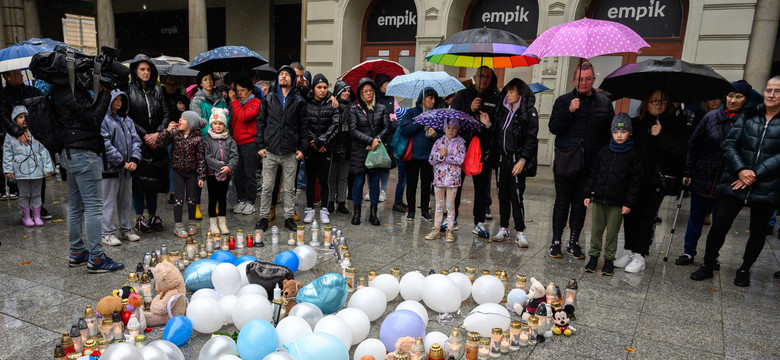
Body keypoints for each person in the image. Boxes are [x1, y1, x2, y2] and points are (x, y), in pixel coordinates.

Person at [690, 76, 780, 287]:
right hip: (736, 181)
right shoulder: (749, 114)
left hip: (765, 185)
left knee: (758, 230)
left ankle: (744, 269)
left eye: (777, 91)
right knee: (719, 225)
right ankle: (707, 264)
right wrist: (741, 170)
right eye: (768, 90)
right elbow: (730, 144)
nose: (771, 95)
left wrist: (755, 174)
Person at [50, 73, 123, 272]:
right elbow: (94, 118)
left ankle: (77, 252)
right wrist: (105, 94)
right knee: (93, 207)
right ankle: (97, 259)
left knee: (75, 206)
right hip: (83, 153)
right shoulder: (72, 91)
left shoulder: (57, 88)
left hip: (69, 152)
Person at [677, 81, 752, 266]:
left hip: (729, 180)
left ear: (745, 100)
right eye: (730, 96)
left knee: (720, 223)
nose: (733, 100)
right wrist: (688, 170)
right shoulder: (710, 117)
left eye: (738, 96)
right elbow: (694, 144)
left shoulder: (748, 121)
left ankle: (712, 256)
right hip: (703, 174)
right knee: (696, 217)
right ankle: (688, 252)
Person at [616, 90, 687, 273]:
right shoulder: (636, 123)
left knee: (647, 217)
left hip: (656, 180)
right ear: (646, 102)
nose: (658, 104)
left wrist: (661, 134)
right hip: (634, 177)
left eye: (663, 101)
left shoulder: (674, 124)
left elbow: (678, 152)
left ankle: (640, 254)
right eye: (654, 101)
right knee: (630, 215)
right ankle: (629, 249)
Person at [548, 62, 614, 259]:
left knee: (580, 204)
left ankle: (574, 242)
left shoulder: (603, 102)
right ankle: (556, 241)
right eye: (579, 79)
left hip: (590, 164)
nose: (583, 83)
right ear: (573, 79)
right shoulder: (563, 101)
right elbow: (554, 128)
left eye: (587, 79)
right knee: (562, 202)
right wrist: (569, 111)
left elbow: (608, 133)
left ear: (593, 80)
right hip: (567, 161)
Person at [582, 113, 641, 276]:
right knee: (596, 230)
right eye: (615, 132)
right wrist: (588, 193)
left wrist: (628, 202)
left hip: (617, 201)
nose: (619, 135)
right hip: (600, 198)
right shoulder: (604, 152)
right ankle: (593, 257)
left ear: (629, 133)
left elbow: (635, 181)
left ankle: (609, 259)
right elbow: (593, 174)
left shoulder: (633, 154)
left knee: (612, 232)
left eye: (623, 132)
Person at [255, 65, 307, 232]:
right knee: (267, 187)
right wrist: (260, 145)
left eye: (287, 75)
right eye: (281, 74)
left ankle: (289, 218)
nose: (283, 77)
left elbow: (303, 127)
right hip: (270, 151)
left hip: (291, 151)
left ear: (293, 79)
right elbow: (261, 123)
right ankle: (263, 217)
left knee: (290, 189)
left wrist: (302, 148)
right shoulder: (268, 99)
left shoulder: (299, 101)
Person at [451, 66, 500, 238]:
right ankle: (452, 218)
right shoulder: (463, 95)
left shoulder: (495, 98)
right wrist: (470, 110)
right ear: (474, 77)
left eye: (487, 76)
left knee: (481, 188)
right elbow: (453, 121)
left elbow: (498, 128)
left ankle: (479, 222)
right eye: (481, 76)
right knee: (456, 185)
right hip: (461, 148)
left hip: (482, 151)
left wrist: (488, 129)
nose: (484, 79)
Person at [491, 78, 539, 247]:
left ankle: (520, 232)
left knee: (516, 197)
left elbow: (531, 139)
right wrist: (488, 124)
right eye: (507, 91)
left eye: (512, 91)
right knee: (502, 196)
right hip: (501, 160)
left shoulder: (529, 112)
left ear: (520, 93)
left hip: (516, 160)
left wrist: (522, 160)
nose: (508, 94)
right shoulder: (502, 110)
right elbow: (498, 134)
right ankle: (504, 228)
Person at [126, 54, 170, 233]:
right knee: (138, 181)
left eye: (148, 69)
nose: (145, 72)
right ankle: (139, 217)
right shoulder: (128, 90)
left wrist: (158, 133)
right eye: (142, 69)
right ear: (135, 71)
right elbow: (127, 115)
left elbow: (167, 114)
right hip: (138, 141)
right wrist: (145, 135)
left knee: (153, 181)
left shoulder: (158, 91)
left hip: (156, 142)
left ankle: (153, 214)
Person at [0, 70, 49, 218]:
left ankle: (40, 206)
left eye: (20, 73)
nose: (20, 75)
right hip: (16, 138)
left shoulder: (32, 91)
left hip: (35, 134)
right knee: (23, 176)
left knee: (37, 171)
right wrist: (17, 131)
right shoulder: (3, 96)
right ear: (6, 76)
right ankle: (26, 209)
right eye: (15, 74)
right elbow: (3, 116)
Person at [348, 77, 393, 226]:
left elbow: (387, 127)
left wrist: (376, 140)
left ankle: (373, 213)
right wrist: (369, 141)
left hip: (377, 149)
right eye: (365, 91)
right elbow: (353, 130)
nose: (369, 93)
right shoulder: (354, 109)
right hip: (359, 151)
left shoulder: (381, 108)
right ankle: (357, 213)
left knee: (374, 183)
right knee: (359, 182)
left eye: (371, 90)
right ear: (361, 93)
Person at [100, 90, 142, 246]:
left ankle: (125, 229)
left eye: (121, 100)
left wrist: (134, 160)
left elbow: (135, 140)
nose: (118, 102)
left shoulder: (127, 119)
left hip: (127, 168)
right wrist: (120, 161)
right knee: (108, 201)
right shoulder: (104, 120)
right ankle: (107, 232)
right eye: (115, 99)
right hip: (110, 168)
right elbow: (105, 144)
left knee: (125, 200)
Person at [155, 111, 206, 238]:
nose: (180, 120)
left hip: (192, 174)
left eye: (183, 119)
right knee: (178, 200)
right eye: (180, 118)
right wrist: (167, 130)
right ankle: (178, 225)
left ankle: (192, 223)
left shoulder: (198, 139)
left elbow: (200, 158)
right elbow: (160, 143)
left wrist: (201, 176)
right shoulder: (174, 133)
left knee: (191, 199)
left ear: (190, 123)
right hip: (177, 172)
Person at [2, 105, 53, 227]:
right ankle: (26, 216)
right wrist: (8, 170)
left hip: (37, 171)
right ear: (14, 120)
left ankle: (36, 216)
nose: (24, 119)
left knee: (37, 194)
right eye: (20, 117)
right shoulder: (10, 136)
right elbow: (7, 153)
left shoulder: (36, 133)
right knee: (24, 194)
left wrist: (48, 168)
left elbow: (44, 151)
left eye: (26, 116)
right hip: (21, 173)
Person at [191, 71, 229, 217]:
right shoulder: (196, 100)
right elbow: (198, 121)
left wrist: (224, 133)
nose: (209, 82)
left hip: (220, 140)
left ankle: (218, 203)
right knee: (200, 174)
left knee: (217, 174)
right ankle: (197, 206)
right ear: (200, 83)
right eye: (205, 79)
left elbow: (226, 117)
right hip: (203, 140)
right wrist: (212, 132)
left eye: (211, 79)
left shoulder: (221, 98)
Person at [303, 74, 339, 224]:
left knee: (325, 179)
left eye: (325, 87)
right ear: (313, 88)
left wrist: (322, 141)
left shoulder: (332, 104)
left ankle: (324, 209)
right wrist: (313, 141)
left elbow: (335, 125)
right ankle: (309, 209)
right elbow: (303, 123)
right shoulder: (306, 102)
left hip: (326, 148)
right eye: (319, 87)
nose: (322, 90)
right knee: (310, 180)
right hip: (310, 148)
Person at [401, 88, 442, 222]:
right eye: (430, 98)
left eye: (434, 99)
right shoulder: (411, 112)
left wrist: (435, 135)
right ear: (422, 99)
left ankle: (425, 210)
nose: (432, 101)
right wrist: (420, 120)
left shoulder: (436, 115)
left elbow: (443, 135)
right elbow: (405, 130)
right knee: (411, 184)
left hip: (429, 156)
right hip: (413, 155)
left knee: (426, 185)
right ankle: (411, 210)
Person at [425, 118, 467, 242]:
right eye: (449, 127)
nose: (451, 130)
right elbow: (431, 159)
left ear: (458, 129)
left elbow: (460, 160)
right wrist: (440, 155)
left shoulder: (461, 143)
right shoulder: (439, 142)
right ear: (444, 128)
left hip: (452, 180)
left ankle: (450, 230)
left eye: (454, 128)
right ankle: (436, 229)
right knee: (438, 205)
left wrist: (446, 156)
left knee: (450, 206)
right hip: (439, 179)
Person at [230, 78, 261, 216]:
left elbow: (244, 117)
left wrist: (234, 101)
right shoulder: (237, 104)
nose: (240, 94)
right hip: (236, 142)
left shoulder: (256, 103)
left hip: (250, 143)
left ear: (250, 91)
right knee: (238, 174)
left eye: (243, 90)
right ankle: (242, 199)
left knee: (250, 174)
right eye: (237, 91)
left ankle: (250, 201)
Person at [204, 110, 238, 235]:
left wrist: (229, 167)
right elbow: (207, 157)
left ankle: (223, 223)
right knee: (212, 198)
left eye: (220, 123)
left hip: (226, 173)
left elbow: (235, 156)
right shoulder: (207, 140)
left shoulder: (229, 140)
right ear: (211, 124)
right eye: (215, 123)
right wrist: (220, 166)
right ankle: (213, 224)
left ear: (225, 125)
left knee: (222, 198)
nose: (218, 126)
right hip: (212, 173)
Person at [328, 80, 353, 215]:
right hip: (333, 145)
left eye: (348, 91)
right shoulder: (331, 105)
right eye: (344, 90)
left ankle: (342, 202)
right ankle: (330, 201)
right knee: (332, 176)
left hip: (347, 146)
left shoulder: (352, 107)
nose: (347, 93)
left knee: (343, 176)